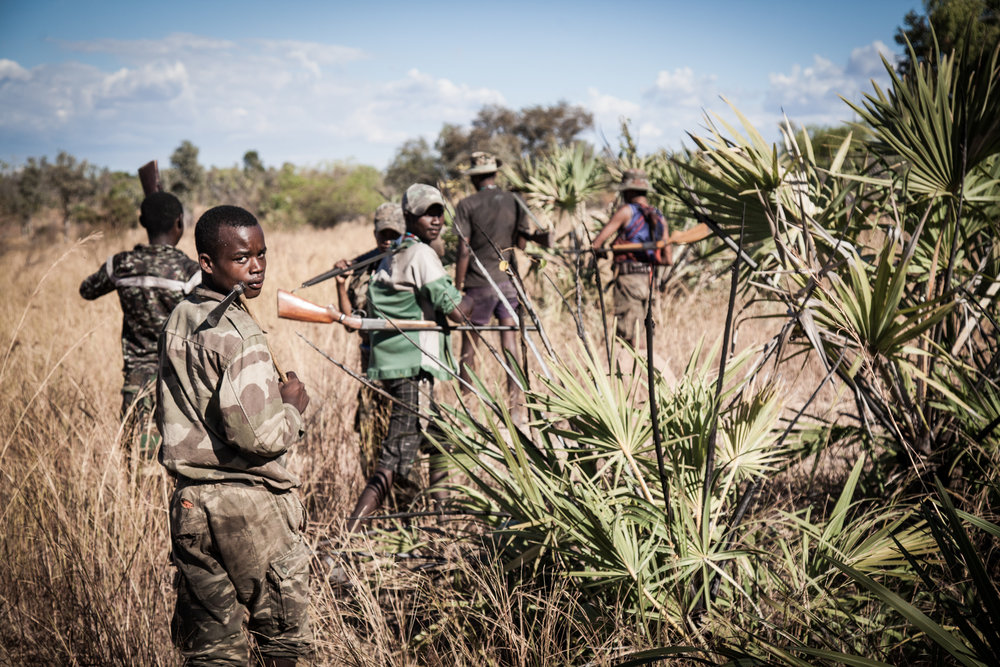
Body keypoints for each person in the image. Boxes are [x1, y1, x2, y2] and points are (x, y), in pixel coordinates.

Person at [156, 205, 312, 667]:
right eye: (242, 258)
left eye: (262, 254)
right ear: (207, 262)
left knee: (213, 654)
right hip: (249, 506)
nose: (257, 266)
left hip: (192, 506)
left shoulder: (181, 316)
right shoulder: (240, 333)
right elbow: (258, 438)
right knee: (283, 644)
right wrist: (292, 407)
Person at [346, 184, 464, 532]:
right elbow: (455, 309)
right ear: (409, 216)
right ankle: (344, 544)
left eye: (440, 212)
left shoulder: (390, 255)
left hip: (400, 367)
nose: (437, 219)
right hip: (413, 369)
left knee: (441, 438)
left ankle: (443, 524)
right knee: (393, 459)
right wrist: (472, 303)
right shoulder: (421, 255)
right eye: (429, 212)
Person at [79, 191, 200, 459]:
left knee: (134, 458)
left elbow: (87, 290)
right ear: (179, 222)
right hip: (179, 380)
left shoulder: (121, 265)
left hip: (135, 380)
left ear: (142, 221)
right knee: (178, 459)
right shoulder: (189, 272)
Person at [453, 151, 533, 402]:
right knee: (509, 341)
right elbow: (521, 243)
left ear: (474, 179)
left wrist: (458, 286)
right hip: (507, 283)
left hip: (478, 283)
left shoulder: (467, 205)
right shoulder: (515, 200)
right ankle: (516, 400)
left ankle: (467, 400)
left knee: (470, 343)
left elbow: (464, 248)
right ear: (496, 173)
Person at [333, 203, 405, 478]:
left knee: (404, 439)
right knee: (369, 434)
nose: (387, 240)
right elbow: (350, 322)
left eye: (393, 234)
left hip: (402, 364)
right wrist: (341, 284)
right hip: (370, 364)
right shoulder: (364, 266)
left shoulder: (412, 262)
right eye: (382, 234)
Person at [591, 169, 672, 348]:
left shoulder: (626, 211)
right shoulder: (659, 216)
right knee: (643, 330)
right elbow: (668, 259)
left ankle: (632, 371)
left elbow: (595, 244)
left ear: (629, 191)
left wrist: (601, 251)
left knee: (628, 333)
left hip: (628, 279)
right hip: (649, 280)